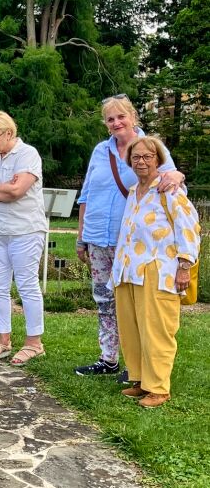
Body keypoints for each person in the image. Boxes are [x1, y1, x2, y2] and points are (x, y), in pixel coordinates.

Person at [74, 95, 184, 378]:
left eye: (121, 116)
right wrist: (81, 235)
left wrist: (179, 175)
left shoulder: (148, 147)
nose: (116, 123)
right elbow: (86, 193)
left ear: (133, 117)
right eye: (110, 119)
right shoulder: (101, 150)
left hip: (133, 242)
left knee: (134, 304)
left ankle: (135, 366)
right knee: (104, 301)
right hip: (98, 236)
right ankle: (108, 358)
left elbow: (171, 177)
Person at [113, 136, 200, 408]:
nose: (141, 162)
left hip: (158, 270)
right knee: (132, 329)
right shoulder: (132, 191)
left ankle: (159, 388)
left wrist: (184, 266)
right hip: (129, 270)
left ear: (158, 160)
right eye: (136, 157)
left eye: (147, 157)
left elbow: (189, 227)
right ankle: (141, 380)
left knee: (157, 331)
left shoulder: (168, 189)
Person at [0, 111, 48, 365]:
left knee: (27, 284)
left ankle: (34, 343)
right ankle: (3, 340)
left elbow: (17, 191)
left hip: (24, 230)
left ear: (9, 133)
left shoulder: (28, 154)